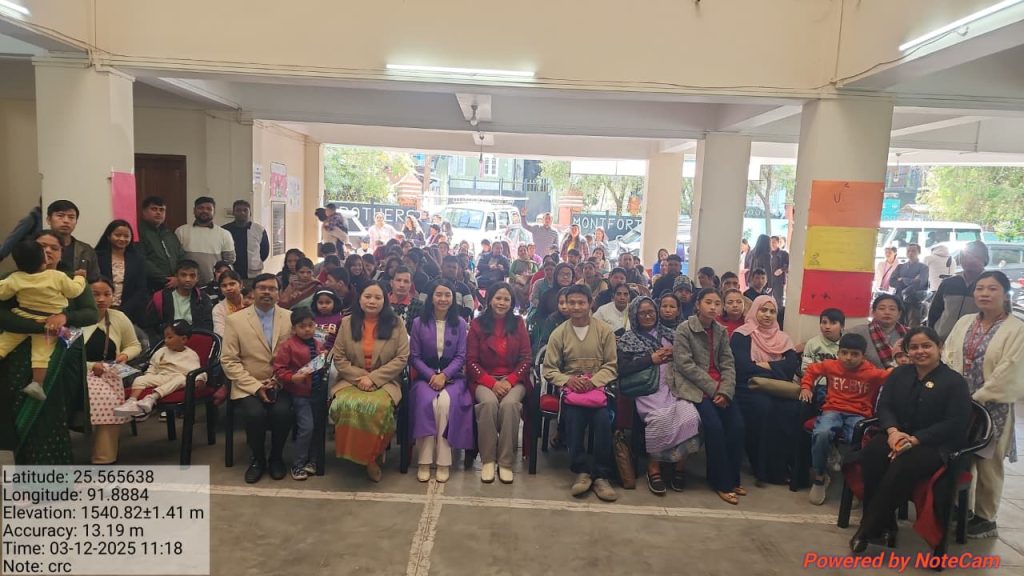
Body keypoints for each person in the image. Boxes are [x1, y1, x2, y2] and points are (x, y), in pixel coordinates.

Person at [849, 327, 970, 553]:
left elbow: (955, 423)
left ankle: (868, 528)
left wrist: (916, 439)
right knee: (873, 455)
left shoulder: (955, 382)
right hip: (897, 434)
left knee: (903, 465)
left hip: (934, 443)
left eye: (926, 346)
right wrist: (893, 432)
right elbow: (884, 406)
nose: (920, 351)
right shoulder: (899, 374)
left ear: (939, 347)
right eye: (914, 347)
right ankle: (886, 523)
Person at [943, 271, 1024, 539]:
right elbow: (948, 354)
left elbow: (1011, 369)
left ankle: (985, 517)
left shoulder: (1017, 329)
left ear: (1005, 294)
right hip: (958, 404)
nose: (985, 294)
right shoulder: (965, 321)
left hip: (993, 406)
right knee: (960, 456)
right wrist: (954, 393)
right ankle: (961, 507)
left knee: (988, 462)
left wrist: (978, 397)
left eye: (992, 288)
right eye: (980, 288)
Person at [542, 284, 619, 502]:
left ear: (590, 304)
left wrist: (593, 382)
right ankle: (583, 471)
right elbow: (549, 369)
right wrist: (568, 380)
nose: (576, 307)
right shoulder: (559, 333)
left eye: (581, 302)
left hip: (598, 390)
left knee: (603, 421)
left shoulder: (604, 331)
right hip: (572, 391)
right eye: (572, 303)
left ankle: (601, 476)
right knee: (574, 419)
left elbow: (611, 365)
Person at [670, 289, 745, 504]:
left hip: (721, 388)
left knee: (737, 426)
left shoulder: (720, 331)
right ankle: (721, 483)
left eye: (717, 303)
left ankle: (733, 479)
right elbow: (685, 365)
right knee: (714, 428)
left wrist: (725, 390)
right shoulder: (684, 329)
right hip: (695, 387)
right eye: (708, 302)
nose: (713, 307)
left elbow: (728, 363)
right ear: (698, 304)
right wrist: (714, 389)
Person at [330, 282, 409, 482]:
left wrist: (373, 378)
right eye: (367, 296)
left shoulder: (396, 323)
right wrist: (361, 378)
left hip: (385, 381)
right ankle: (359, 454)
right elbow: (339, 357)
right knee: (344, 404)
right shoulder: (347, 322)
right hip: (351, 380)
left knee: (377, 407)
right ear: (359, 298)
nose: (372, 301)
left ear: (385, 300)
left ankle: (371, 458)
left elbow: (401, 358)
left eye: (377, 297)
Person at [618, 295, 696, 497]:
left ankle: (679, 468)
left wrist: (674, 354)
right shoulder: (628, 338)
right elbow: (622, 368)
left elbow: (689, 359)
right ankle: (654, 469)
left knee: (690, 415)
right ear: (634, 315)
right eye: (642, 313)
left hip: (674, 387)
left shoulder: (671, 334)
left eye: (651, 312)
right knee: (660, 418)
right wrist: (650, 359)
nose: (648, 316)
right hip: (647, 390)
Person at [800, 333, 890, 505]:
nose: (848, 358)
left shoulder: (871, 372)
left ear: (863, 355)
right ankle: (820, 476)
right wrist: (806, 387)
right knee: (822, 433)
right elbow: (811, 370)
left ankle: (854, 483)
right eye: (844, 353)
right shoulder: (831, 365)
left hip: (859, 414)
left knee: (858, 441)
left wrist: (903, 360)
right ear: (838, 352)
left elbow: (893, 376)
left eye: (854, 354)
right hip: (832, 410)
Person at [222, 273, 294, 483]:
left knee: (282, 412)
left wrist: (278, 380)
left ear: (279, 293)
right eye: (262, 288)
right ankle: (258, 459)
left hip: (281, 382)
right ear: (252, 292)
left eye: (272, 288)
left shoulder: (290, 318)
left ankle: (276, 457)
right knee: (255, 415)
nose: (267, 292)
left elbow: (298, 355)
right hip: (248, 383)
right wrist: (255, 386)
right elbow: (229, 360)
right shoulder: (235, 320)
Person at [0, 240, 87, 400]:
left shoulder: (15, 278)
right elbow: (74, 291)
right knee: (41, 355)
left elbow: (2, 294)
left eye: (54, 247)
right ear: (44, 260)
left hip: (23, 317)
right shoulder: (57, 276)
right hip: (49, 323)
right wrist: (80, 278)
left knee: (3, 343)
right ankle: (37, 383)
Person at [731, 295, 802, 486]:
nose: (768, 315)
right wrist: (776, 367)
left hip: (778, 388)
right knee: (764, 408)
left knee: (792, 409)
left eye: (772, 311)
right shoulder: (741, 335)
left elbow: (791, 365)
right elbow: (743, 367)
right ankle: (762, 468)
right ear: (755, 310)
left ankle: (782, 467)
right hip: (749, 387)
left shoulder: (782, 337)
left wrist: (764, 365)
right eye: (763, 310)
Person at [408, 280, 472, 483]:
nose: (443, 299)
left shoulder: (460, 323)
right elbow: (414, 356)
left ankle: (444, 461)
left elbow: (461, 356)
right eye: (439, 294)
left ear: (453, 299)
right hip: (425, 376)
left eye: (447, 295)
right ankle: (424, 461)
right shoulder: (418, 323)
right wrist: (431, 376)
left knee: (444, 404)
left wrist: (444, 375)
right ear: (431, 297)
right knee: (428, 404)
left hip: (452, 377)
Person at [467, 283, 531, 484]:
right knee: (488, 404)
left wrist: (510, 381)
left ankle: (505, 462)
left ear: (512, 303)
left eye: (506, 299)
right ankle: (487, 460)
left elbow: (526, 358)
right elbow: (471, 361)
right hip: (484, 379)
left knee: (510, 405)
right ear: (490, 300)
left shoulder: (518, 323)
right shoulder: (477, 325)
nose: (502, 303)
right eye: (498, 298)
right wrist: (491, 383)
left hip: (514, 379)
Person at [82, 278, 143, 464]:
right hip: (82, 370)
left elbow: (134, 345)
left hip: (112, 369)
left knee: (134, 383)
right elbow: (65, 353)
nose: (101, 299)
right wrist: (91, 366)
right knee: (105, 397)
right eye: (95, 294)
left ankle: (105, 457)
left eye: (107, 294)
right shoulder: (75, 319)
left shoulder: (118, 317)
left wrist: (125, 355)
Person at [272, 307, 325, 481]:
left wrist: (325, 359)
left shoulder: (318, 344)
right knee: (306, 428)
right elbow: (279, 369)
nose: (308, 329)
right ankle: (298, 464)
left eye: (311, 325)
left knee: (318, 427)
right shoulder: (288, 346)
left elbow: (321, 366)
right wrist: (291, 377)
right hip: (300, 394)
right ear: (294, 328)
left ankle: (313, 460)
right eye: (302, 326)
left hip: (317, 393)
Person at [113, 320, 203, 419]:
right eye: (165, 337)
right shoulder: (161, 351)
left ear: (183, 339)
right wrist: (149, 376)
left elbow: (197, 370)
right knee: (140, 379)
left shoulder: (190, 355)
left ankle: (152, 398)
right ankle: (131, 401)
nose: (166, 341)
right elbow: (153, 366)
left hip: (176, 379)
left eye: (170, 337)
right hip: (160, 377)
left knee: (181, 379)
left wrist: (200, 379)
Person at [928, 241, 989, 341]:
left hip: (975, 344)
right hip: (942, 340)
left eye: (975, 256)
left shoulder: (992, 285)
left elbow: (1003, 318)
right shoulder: (949, 283)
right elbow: (934, 312)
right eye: (965, 256)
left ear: (985, 259)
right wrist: (931, 336)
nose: (969, 260)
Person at [94, 219, 148, 326]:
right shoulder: (96, 256)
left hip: (129, 312)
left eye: (126, 236)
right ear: (108, 236)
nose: (122, 239)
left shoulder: (138, 259)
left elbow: (141, 289)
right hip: (100, 308)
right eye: (117, 235)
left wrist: (124, 310)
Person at [143, 260, 214, 339]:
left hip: (195, 340)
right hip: (166, 341)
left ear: (197, 278)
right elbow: (150, 327)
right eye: (183, 275)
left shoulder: (203, 299)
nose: (188, 279)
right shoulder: (160, 297)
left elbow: (208, 326)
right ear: (176, 276)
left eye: (192, 276)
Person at [175, 196, 235, 284]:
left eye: (209, 209)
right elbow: (175, 259)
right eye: (200, 208)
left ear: (214, 212)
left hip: (213, 285)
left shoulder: (224, 234)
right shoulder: (181, 231)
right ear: (194, 210)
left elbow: (229, 261)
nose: (205, 211)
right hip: (187, 283)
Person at [137, 196, 185, 293]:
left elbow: (181, 257)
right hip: (150, 287)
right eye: (154, 209)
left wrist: (179, 277)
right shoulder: (137, 232)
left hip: (175, 286)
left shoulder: (169, 234)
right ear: (144, 212)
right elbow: (141, 260)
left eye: (162, 210)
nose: (158, 212)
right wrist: (166, 280)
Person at [45, 199, 101, 283]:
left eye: (71, 217)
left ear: (76, 222)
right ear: (49, 220)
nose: (66, 221)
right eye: (60, 216)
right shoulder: (37, 246)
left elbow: (94, 279)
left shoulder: (86, 250)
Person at [847, 294, 908, 369]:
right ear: (873, 312)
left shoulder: (909, 334)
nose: (887, 312)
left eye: (892, 309)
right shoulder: (858, 332)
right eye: (882, 308)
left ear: (899, 314)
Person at [223, 199, 269, 280]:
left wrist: (254, 262)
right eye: (238, 210)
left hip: (253, 275)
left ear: (250, 213)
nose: (242, 213)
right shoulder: (225, 230)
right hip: (230, 274)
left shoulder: (259, 230)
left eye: (245, 210)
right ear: (233, 212)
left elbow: (264, 252)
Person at [890, 243, 928, 326]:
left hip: (914, 300)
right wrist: (913, 280)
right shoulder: (900, 266)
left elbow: (921, 283)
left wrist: (903, 279)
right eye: (908, 251)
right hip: (899, 299)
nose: (910, 253)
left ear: (919, 252)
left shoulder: (923, 267)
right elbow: (892, 282)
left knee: (913, 325)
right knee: (898, 325)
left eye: (913, 251)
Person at [801, 308, 845, 376]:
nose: (827, 326)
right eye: (824, 322)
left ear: (842, 326)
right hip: (817, 380)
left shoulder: (848, 344)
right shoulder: (812, 343)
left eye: (833, 323)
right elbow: (805, 369)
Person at [436, 255, 475, 322]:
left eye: (454, 267)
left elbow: (470, 306)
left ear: (457, 270)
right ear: (442, 267)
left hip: (456, 322)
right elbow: (422, 303)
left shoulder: (463, 287)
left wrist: (458, 318)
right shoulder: (431, 285)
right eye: (448, 266)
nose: (451, 269)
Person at [212, 270, 246, 336]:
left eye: (232, 284)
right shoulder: (218, 309)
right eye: (224, 286)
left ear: (241, 285)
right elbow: (220, 333)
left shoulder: (251, 301)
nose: (228, 288)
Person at [768, 236, 789, 308]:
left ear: (778, 243)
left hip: (779, 281)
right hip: (768, 281)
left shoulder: (784, 254)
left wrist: (781, 270)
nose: (772, 244)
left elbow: (789, 265)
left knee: (779, 300)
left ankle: (779, 313)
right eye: (771, 242)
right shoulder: (768, 253)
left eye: (774, 242)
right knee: (766, 299)